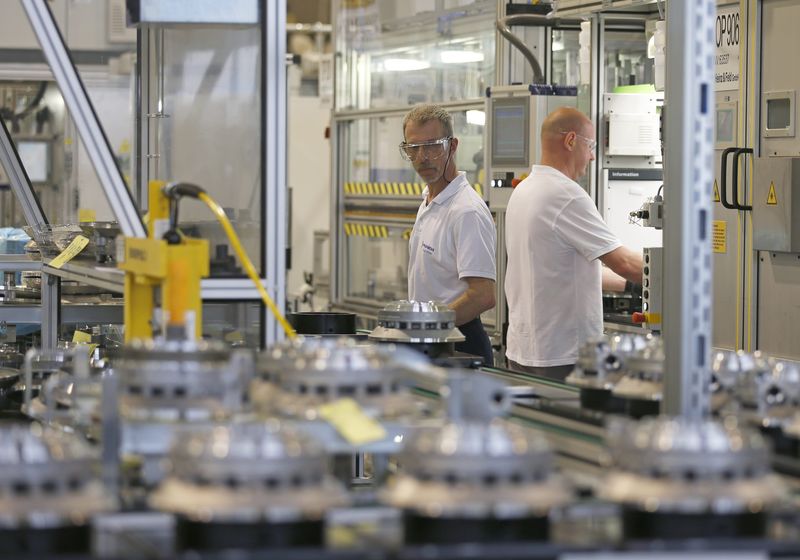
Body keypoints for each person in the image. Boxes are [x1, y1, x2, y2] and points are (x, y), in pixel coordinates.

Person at [504, 107, 643, 380]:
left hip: (524, 351)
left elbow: (564, 270)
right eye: (590, 145)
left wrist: (633, 286)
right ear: (570, 141)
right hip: (562, 356)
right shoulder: (566, 194)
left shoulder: (524, 190)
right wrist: (688, 275)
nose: (592, 156)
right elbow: (625, 264)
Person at [401, 104, 497, 365]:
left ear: (453, 146)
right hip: (431, 342)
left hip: (459, 345)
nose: (422, 157)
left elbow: (483, 295)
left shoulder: (466, 210)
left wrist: (426, 326)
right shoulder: (429, 201)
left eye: (432, 146)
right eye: (413, 148)